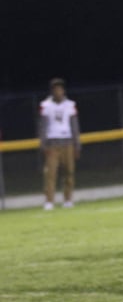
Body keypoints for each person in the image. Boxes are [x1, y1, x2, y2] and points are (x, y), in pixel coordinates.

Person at [39, 78, 81, 210]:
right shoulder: (46, 105)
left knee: (69, 172)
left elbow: (74, 126)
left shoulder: (70, 105)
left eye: (60, 88)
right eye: (55, 89)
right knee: (50, 173)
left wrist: (77, 145)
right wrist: (43, 144)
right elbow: (43, 126)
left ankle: (68, 200)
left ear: (63, 90)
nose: (58, 91)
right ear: (52, 90)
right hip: (52, 143)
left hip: (67, 142)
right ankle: (49, 201)